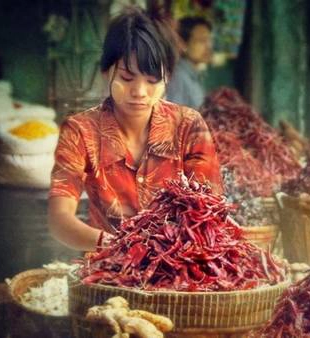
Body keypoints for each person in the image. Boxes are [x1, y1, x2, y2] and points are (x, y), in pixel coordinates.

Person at [48, 7, 222, 251]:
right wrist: (115, 246)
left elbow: (209, 211)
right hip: (108, 275)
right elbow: (59, 219)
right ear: (106, 72)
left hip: (180, 274)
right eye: (127, 78)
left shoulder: (189, 127)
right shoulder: (80, 132)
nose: (139, 92)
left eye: (152, 81)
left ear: (167, 78)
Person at [166, 16, 213, 109]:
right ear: (184, 44)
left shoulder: (196, 75)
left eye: (209, 40)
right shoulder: (178, 77)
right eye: (201, 40)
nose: (208, 46)